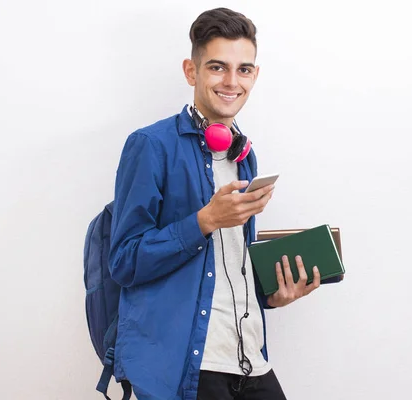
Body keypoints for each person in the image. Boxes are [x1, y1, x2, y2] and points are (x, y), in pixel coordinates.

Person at [108, 7, 321, 400]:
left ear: (254, 75)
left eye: (243, 70)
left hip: (250, 358)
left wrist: (271, 295)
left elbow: (227, 268)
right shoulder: (152, 146)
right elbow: (123, 261)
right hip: (190, 367)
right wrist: (204, 221)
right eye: (217, 67)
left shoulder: (244, 155)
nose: (231, 81)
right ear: (191, 71)